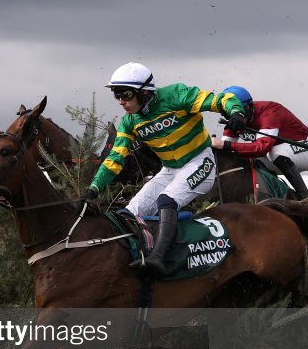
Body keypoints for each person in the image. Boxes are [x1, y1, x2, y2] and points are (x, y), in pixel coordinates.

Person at [83, 62, 247, 275]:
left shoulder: (176, 95)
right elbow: (115, 158)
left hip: (200, 161)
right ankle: (136, 256)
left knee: (166, 200)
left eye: (125, 95)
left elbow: (219, 99)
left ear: (144, 92)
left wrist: (236, 111)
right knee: (131, 212)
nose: (121, 102)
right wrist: (93, 189)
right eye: (117, 95)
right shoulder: (129, 122)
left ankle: (159, 258)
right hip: (169, 170)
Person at [210, 86, 308, 200]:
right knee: (249, 162)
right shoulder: (234, 120)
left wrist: (225, 145)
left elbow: (261, 148)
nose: (232, 116)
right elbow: (225, 151)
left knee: (276, 152)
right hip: (279, 155)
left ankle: (306, 198)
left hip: (306, 148)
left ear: (248, 107)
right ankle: (282, 196)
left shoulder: (269, 112)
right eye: (226, 113)